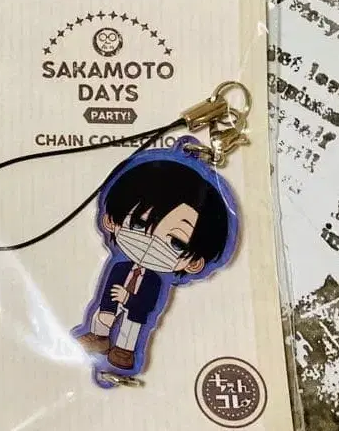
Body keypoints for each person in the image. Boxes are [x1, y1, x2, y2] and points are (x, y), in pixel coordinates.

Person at [75, 155, 233, 373]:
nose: (150, 242)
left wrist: (128, 299)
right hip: (110, 307)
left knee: (130, 330)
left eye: (176, 242)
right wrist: (108, 310)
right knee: (102, 316)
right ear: (110, 220)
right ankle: (99, 337)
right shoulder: (119, 267)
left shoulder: (154, 282)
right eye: (138, 224)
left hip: (135, 313)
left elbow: (148, 305)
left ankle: (124, 351)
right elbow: (107, 290)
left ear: (194, 263)